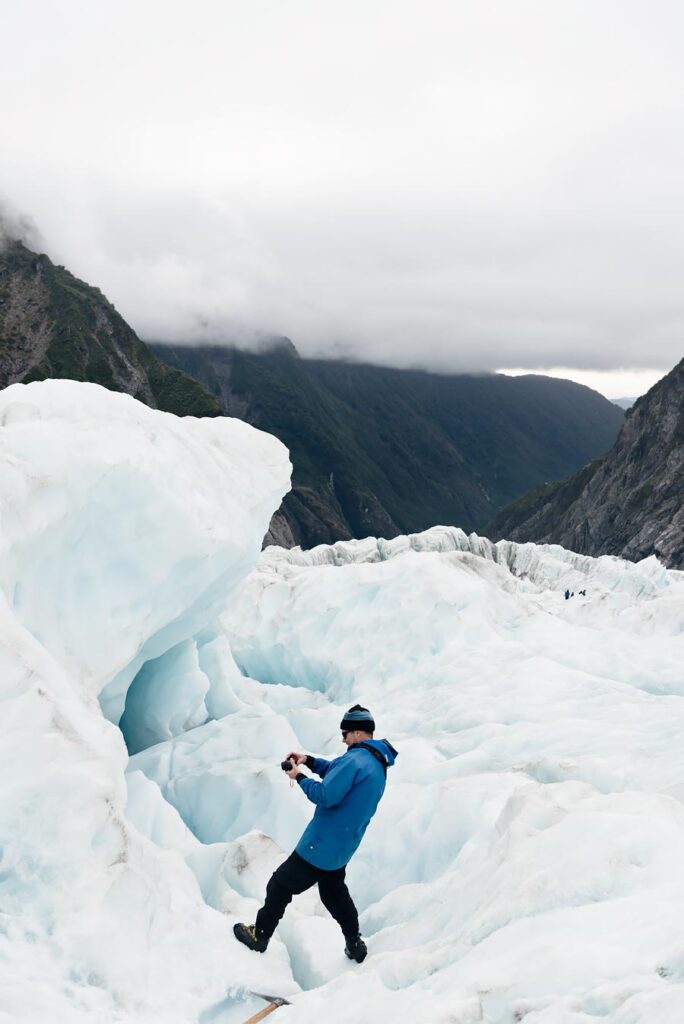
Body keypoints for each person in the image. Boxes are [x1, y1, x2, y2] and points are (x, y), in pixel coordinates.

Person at [233, 704, 398, 963]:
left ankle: (259, 936)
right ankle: (354, 943)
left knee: (279, 885)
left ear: (357, 732)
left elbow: (326, 795)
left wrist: (298, 776)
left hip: (320, 846)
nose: (343, 739)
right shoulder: (375, 762)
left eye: (345, 733)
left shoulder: (354, 760)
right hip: (343, 846)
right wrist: (309, 761)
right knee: (333, 893)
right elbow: (338, 772)